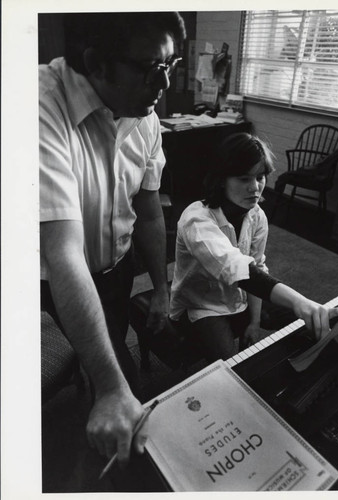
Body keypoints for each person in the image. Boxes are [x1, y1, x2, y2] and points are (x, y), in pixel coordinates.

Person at [39, 12, 186, 465]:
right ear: (96, 64)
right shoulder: (36, 103)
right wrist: (111, 388)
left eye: (171, 64)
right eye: (150, 67)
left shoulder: (146, 116)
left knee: (112, 341)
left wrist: (161, 289)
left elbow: (147, 210)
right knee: (123, 389)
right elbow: (62, 252)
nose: (163, 85)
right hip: (51, 275)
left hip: (115, 269)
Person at [169, 133, 338, 362]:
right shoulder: (196, 219)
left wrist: (255, 322)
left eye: (260, 177)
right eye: (244, 179)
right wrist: (300, 302)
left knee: (311, 322)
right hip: (203, 305)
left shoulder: (257, 215)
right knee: (232, 367)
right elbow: (236, 268)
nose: (255, 188)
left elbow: (257, 268)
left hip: (240, 295)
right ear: (222, 179)